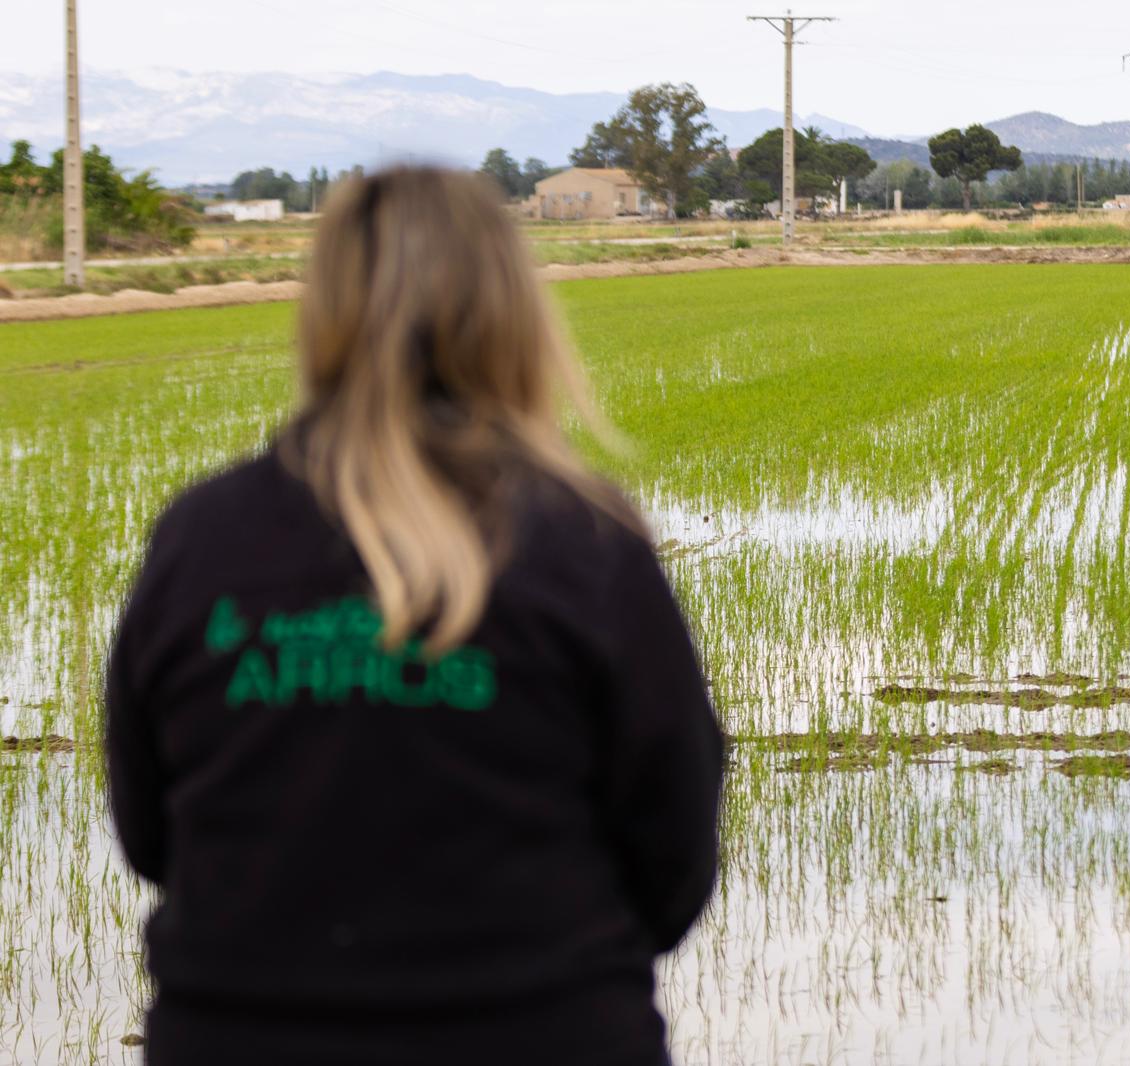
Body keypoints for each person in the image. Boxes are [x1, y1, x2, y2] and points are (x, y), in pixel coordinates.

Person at [104, 166, 724, 1066]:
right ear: (513, 312)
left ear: (324, 310)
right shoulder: (586, 541)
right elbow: (674, 855)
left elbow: (150, 834)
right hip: (543, 1032)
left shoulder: (202, 537)